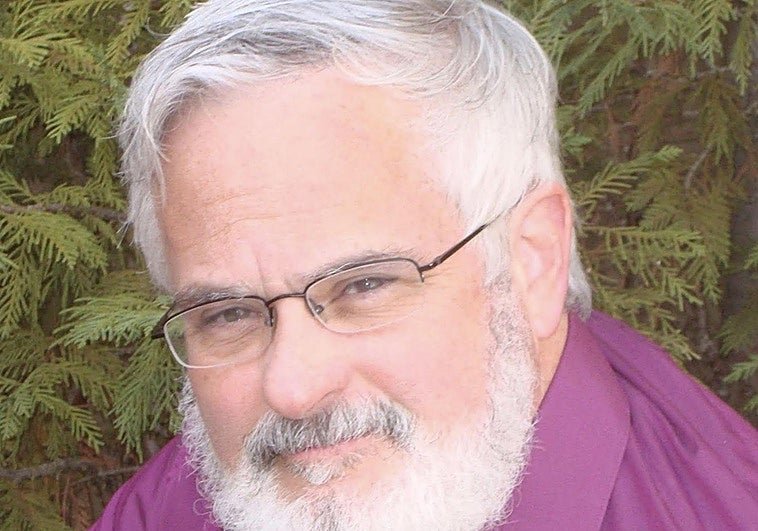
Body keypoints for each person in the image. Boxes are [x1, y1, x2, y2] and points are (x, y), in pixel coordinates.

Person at [92, 1, 757, 529]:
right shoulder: (158, 514)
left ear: (532, 261)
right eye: (228, 314)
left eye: (364, 285)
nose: (293, 388)